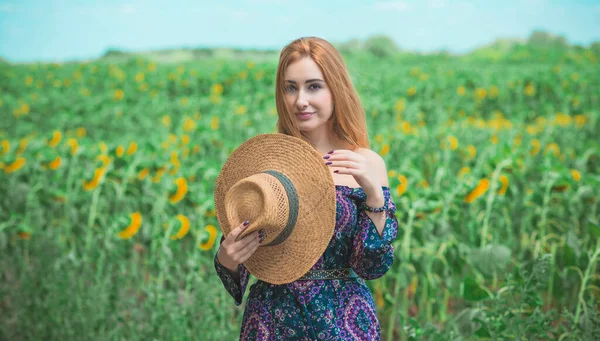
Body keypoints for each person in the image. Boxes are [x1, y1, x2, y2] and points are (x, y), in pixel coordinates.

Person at [214, 36, 399, 341]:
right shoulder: (267, 163)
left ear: (336, 89)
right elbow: (241, 265)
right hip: (272, 319)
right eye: (290, 87)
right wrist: (227, 259)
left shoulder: (366, 163)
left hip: (344, 322)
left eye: (314, 86)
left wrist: (375, 196)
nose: (300, 100)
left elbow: (372, 266)